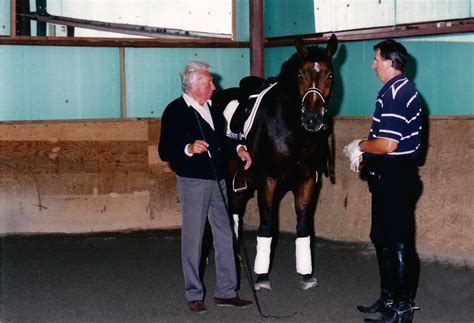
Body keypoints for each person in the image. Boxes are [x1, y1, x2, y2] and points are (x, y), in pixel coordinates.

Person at [158, 60, 253, 314]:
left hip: (218, 181)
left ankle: (226, 292)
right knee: (194, 239)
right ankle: (194, 293)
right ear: (194, 85)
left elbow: (221, 141)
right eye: (209, 82)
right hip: (193, 183)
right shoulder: (176, 111)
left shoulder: (212, 107)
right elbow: (164, 150)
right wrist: (188, 148)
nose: (214, 86)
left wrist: (239, 149)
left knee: (225, 236)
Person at [343, 39, 422, 323]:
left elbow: (388, 144)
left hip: (396, 177)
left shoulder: (397, 94)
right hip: (386, 177)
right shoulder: (392, 91)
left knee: (397, 243)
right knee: (382, 239)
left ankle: (401, 310)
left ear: (390, 62)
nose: (373, 63)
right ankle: (389, 300)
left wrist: (360, 145)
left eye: (376, 58)